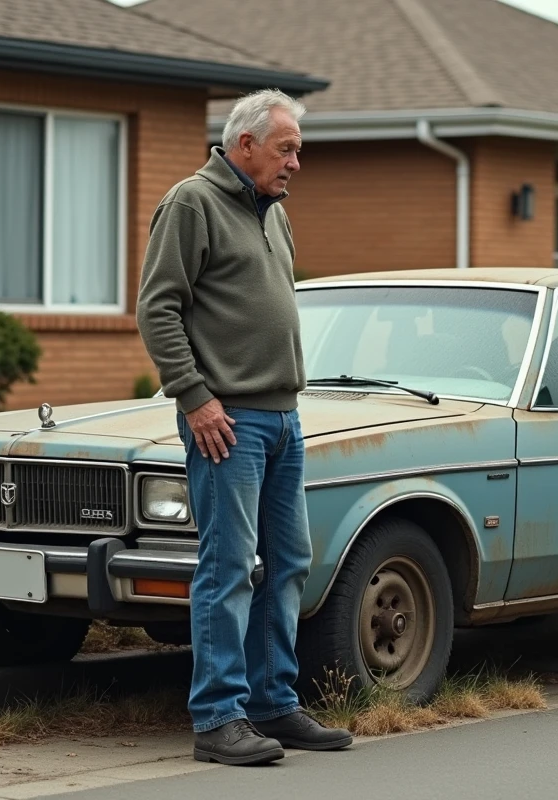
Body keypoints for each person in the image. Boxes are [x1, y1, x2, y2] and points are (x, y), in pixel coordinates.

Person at [136, 89, 352, 766]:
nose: (295, 163)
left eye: (298, 150)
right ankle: (218, 717)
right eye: (286, 149)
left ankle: (272, 703)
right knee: (228, 567)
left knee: (287, 563)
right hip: (226, 422)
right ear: (246, 143)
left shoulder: (275, 213)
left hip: (284, 418)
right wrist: (195, 397)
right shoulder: (191, 203)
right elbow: (157, 308)